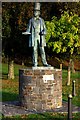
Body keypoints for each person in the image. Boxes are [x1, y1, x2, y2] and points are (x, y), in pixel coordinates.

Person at [23, 3, 51, 67]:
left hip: (40, 37)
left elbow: (45, 29)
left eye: (36, 11)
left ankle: (45, 63)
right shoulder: (31, 20)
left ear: (39, 13)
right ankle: (35, 63)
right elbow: (28, 29)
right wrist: (26, 32)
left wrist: (44, 32)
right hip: (34, 37)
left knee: (42, 50)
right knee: (34, 50)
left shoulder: (42, 20)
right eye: (34, 11)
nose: (34, 12)